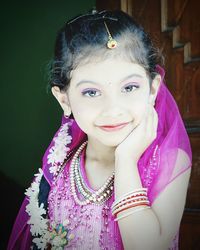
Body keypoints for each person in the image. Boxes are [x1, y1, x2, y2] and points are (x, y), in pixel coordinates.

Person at [8, 9, 192, 250]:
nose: (113, 110)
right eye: (91, 92)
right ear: (64, 100)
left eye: (129, 87)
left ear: (152, 89)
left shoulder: (169, 162)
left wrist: (125, 160)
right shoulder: (60, 164)